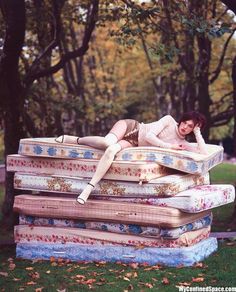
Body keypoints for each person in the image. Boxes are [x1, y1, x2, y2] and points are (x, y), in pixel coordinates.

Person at [55, 111, 208, 205]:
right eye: (185, 123)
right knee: (107, 142)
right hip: (132, 127)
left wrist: (197, 133)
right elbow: (149, 136)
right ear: (182, 120)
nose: (185, 127)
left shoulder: (182, 142)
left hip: (133, 143)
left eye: (190, 127)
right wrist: (169, 147)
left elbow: (203, 153)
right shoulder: (168, 120)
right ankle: (75, 140)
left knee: (111, 150)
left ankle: (88, 188)